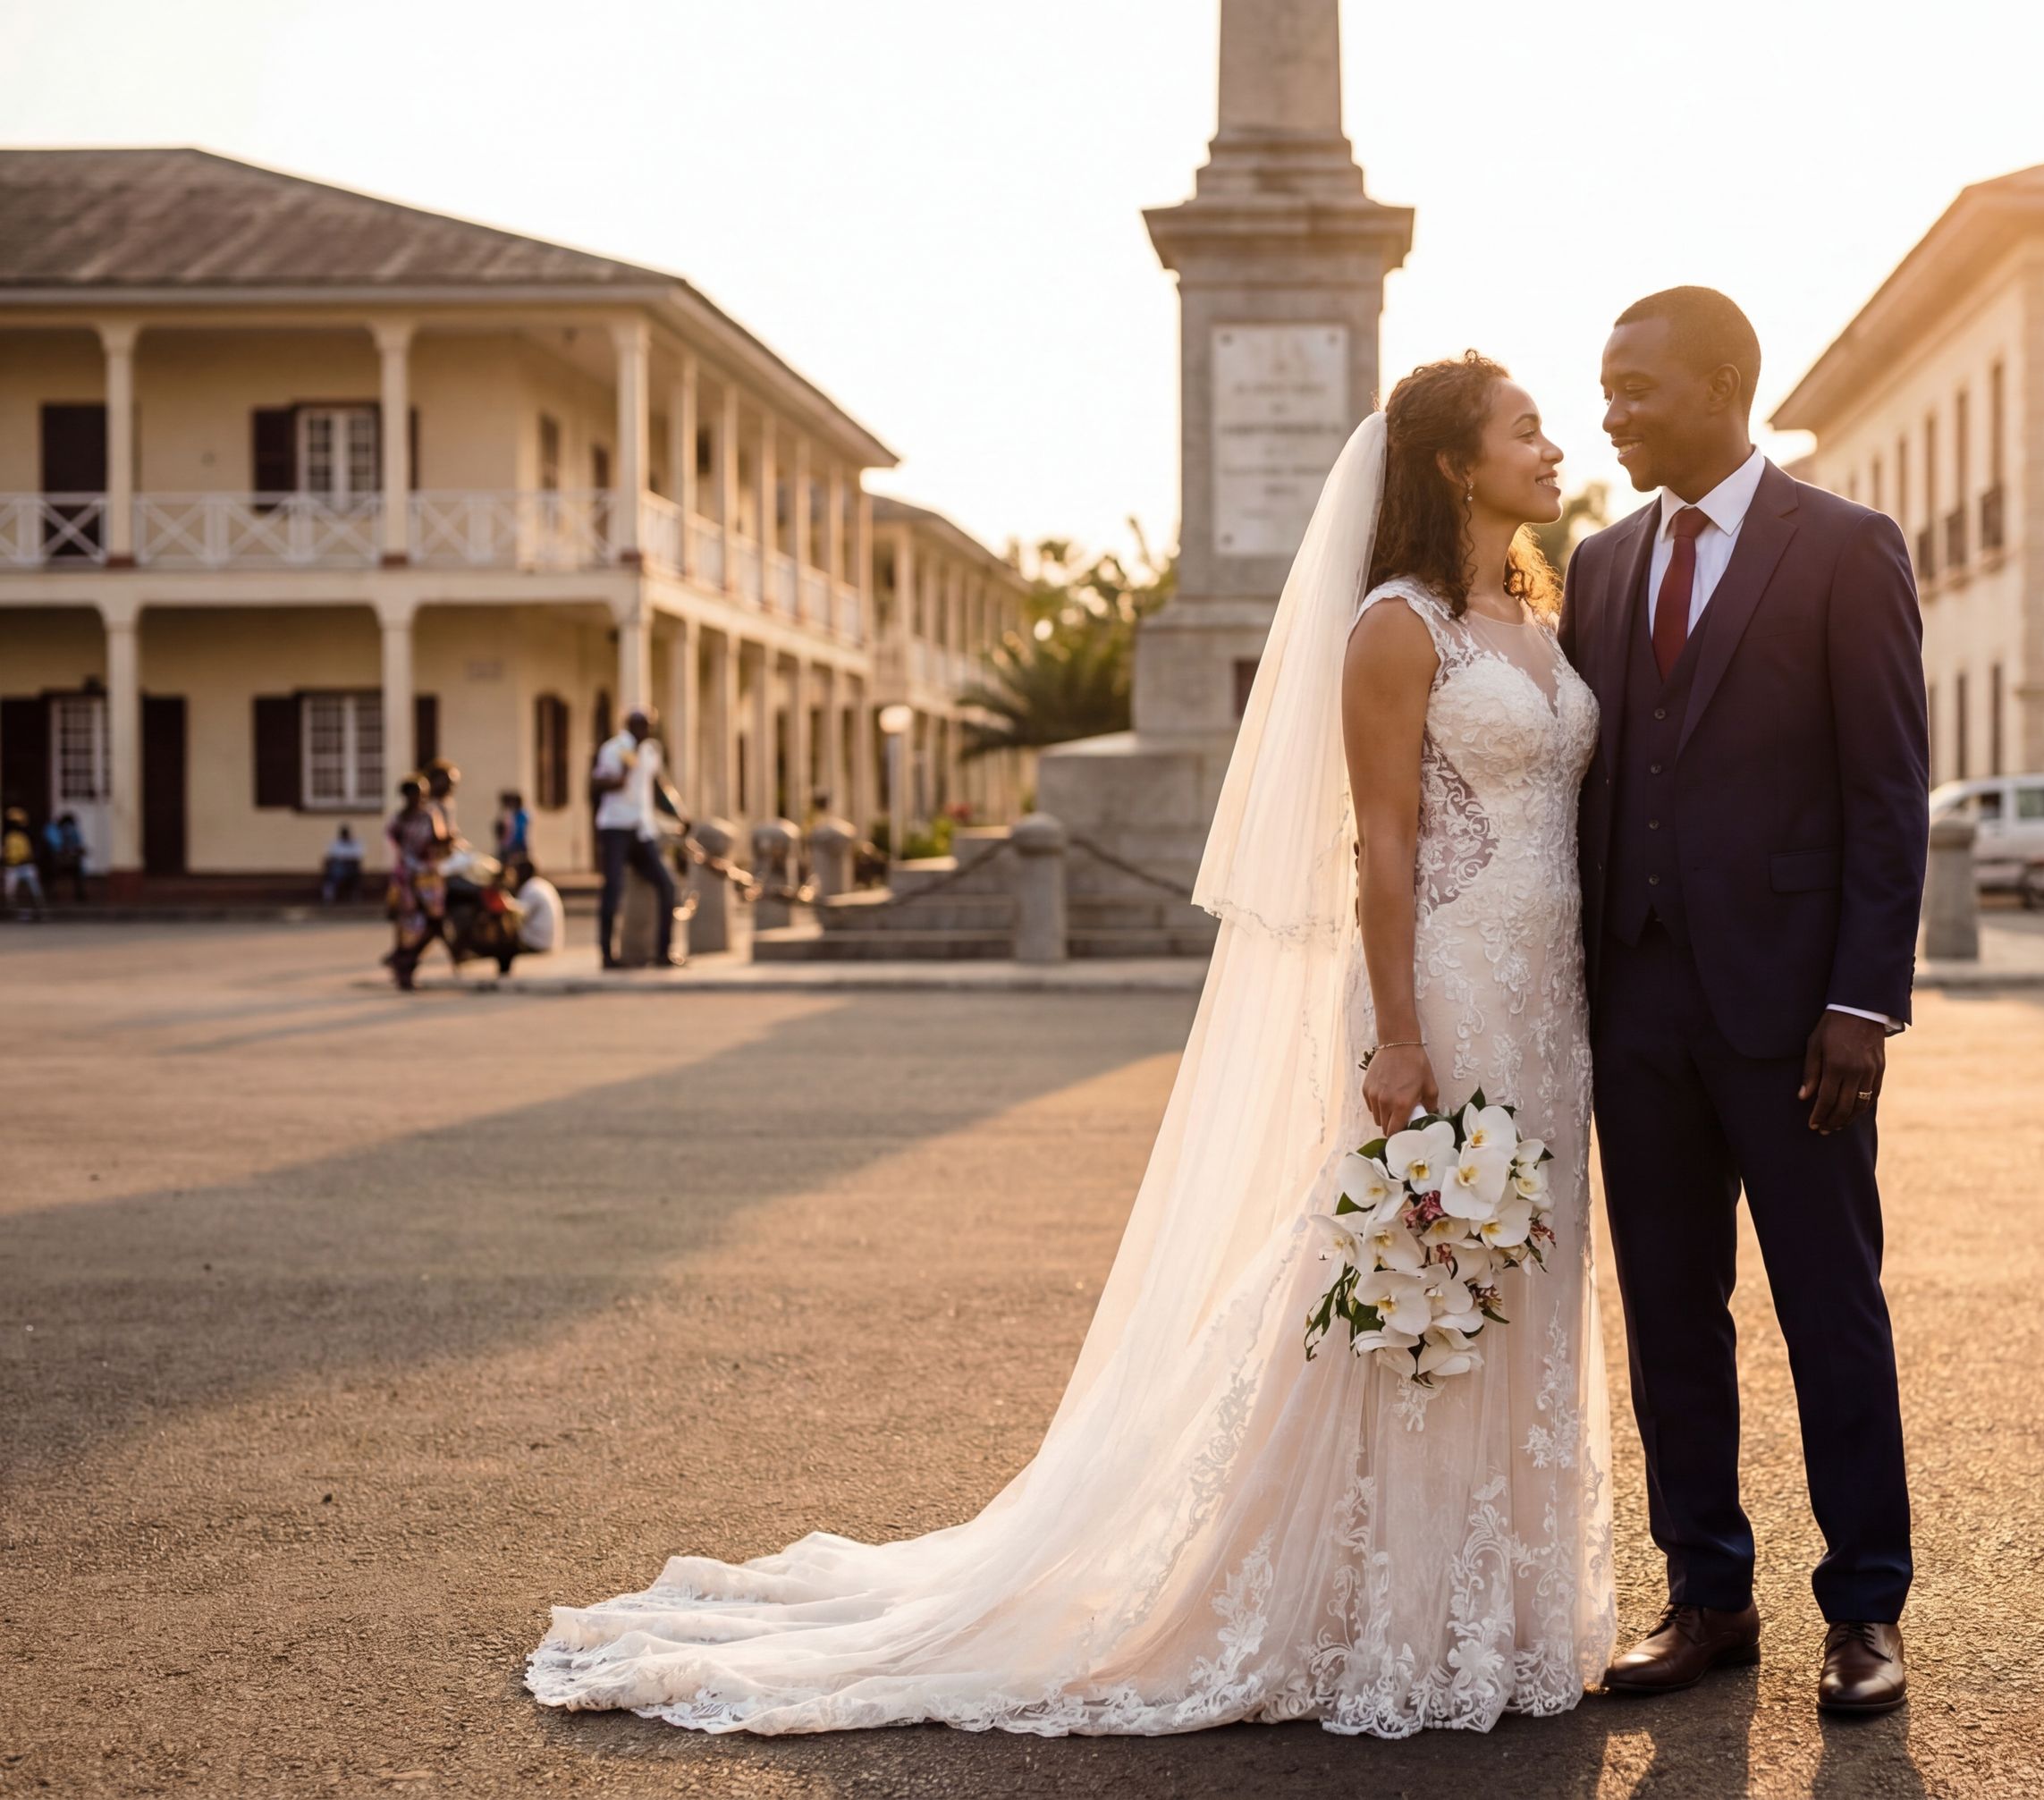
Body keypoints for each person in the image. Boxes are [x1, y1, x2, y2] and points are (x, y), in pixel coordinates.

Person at [530, 368, 1615, 1734]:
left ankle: (1492, 1607)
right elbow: (1383, 845)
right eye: (1526, 429)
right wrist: (1399, 1031)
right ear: (1457, 465)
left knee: (1521, 1274)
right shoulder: (1395, 631)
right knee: (1424, 1279)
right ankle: (1382, 1611)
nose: (1554, 444)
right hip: (1451, 987)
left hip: (1549, 1002)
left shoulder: (1536, 611)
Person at [1558, 288, 1925, 1713]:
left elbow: (1890, 793)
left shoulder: (1844, 548)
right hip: (1637, 1006)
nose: (1612, 411)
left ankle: (1867, 1610)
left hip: (1797, 1016)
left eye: (1637, 386)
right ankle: (1707, 1594)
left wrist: (1863, 1001)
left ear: (1723, 384)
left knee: (1830, 1305)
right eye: (1603, 386)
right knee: (1668, 1309)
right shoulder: (1595, 563)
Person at [589, 710, 685, 969]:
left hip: (642, 829)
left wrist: (679, 814)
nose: (646, 731)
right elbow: (598, 782)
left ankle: (664, 951)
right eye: (641, 726)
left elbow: (658, 786)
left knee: (667, 885)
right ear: (630, 726)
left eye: (649, 726)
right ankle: (607, 955)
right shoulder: (614, 749)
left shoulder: (651, 751)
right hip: (615, 826)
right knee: (613, 888)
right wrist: (619, 776)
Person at [384, 776, 449, 991]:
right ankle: (404, 967)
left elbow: (438, 841)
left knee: (429, 923)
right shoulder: (402, 819)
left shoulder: (428, 815)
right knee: (410, 926)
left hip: (426, 877)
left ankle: (403, 962)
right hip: (410, 878)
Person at [496, 856, 563, 976]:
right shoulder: (540, 884)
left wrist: (504, 901)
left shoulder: (531, 888)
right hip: (550, 941)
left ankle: (503, 974)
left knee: (502, 943)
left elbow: (519, 914)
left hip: (538, 942)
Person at [4, 807, 41, 917]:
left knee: (34, 884)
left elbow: (28, 854)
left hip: (24, 866)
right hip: (12, 867)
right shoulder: (8, 838)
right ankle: (11, 907)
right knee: (10, 888)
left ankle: (38, 906)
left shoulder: (23, 837)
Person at [46, 812, 88, 904]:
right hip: (58, 860)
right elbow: (56, 845)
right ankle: (54, 893)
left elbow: (78, 844)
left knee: (77, 871)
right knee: (56, 874)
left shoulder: (72, 831)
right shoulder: (53, 830)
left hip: (69, 860)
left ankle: (79, 893)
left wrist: (76, 850)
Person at [321, 823, 364, 904]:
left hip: (351, 866)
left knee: (354, 872)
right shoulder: (336, 843)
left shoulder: (355, 843)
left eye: (346, 833)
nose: (345, 835)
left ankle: (355, 896)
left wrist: (345, 858)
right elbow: (331, 855)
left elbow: (358, 855)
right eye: (343, 833)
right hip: (338, 867)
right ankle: (328, 897)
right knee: (331, 872)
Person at [494, 790, 532, 866]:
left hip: (516, 845)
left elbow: (519, 831)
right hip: (509, 845)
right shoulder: (510, 814)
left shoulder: (519, 815)